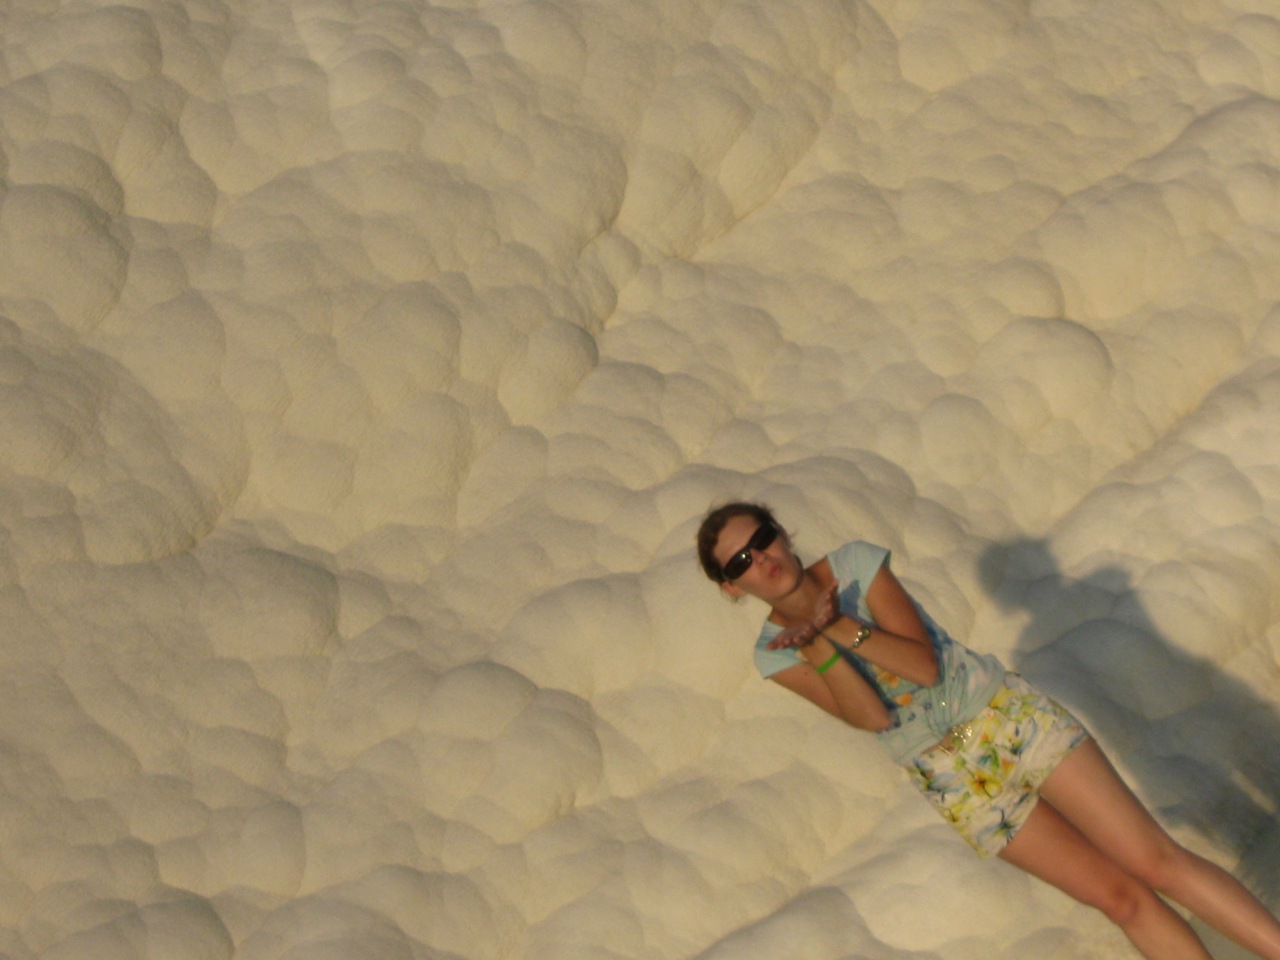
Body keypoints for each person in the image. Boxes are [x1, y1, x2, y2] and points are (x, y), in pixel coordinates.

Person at [696, 501, 1280, 960]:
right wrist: (817, 645)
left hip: (1004, 717)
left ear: (783, 534)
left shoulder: (855, 566)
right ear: (731, 587)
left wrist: (839, 626)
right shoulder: (775, 654)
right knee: (1120, 901)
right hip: (955, 781)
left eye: (761, 539)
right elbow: (871, 717)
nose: (760, 559)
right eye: (739, 562)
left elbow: (923, 667)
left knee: (1154, 862)